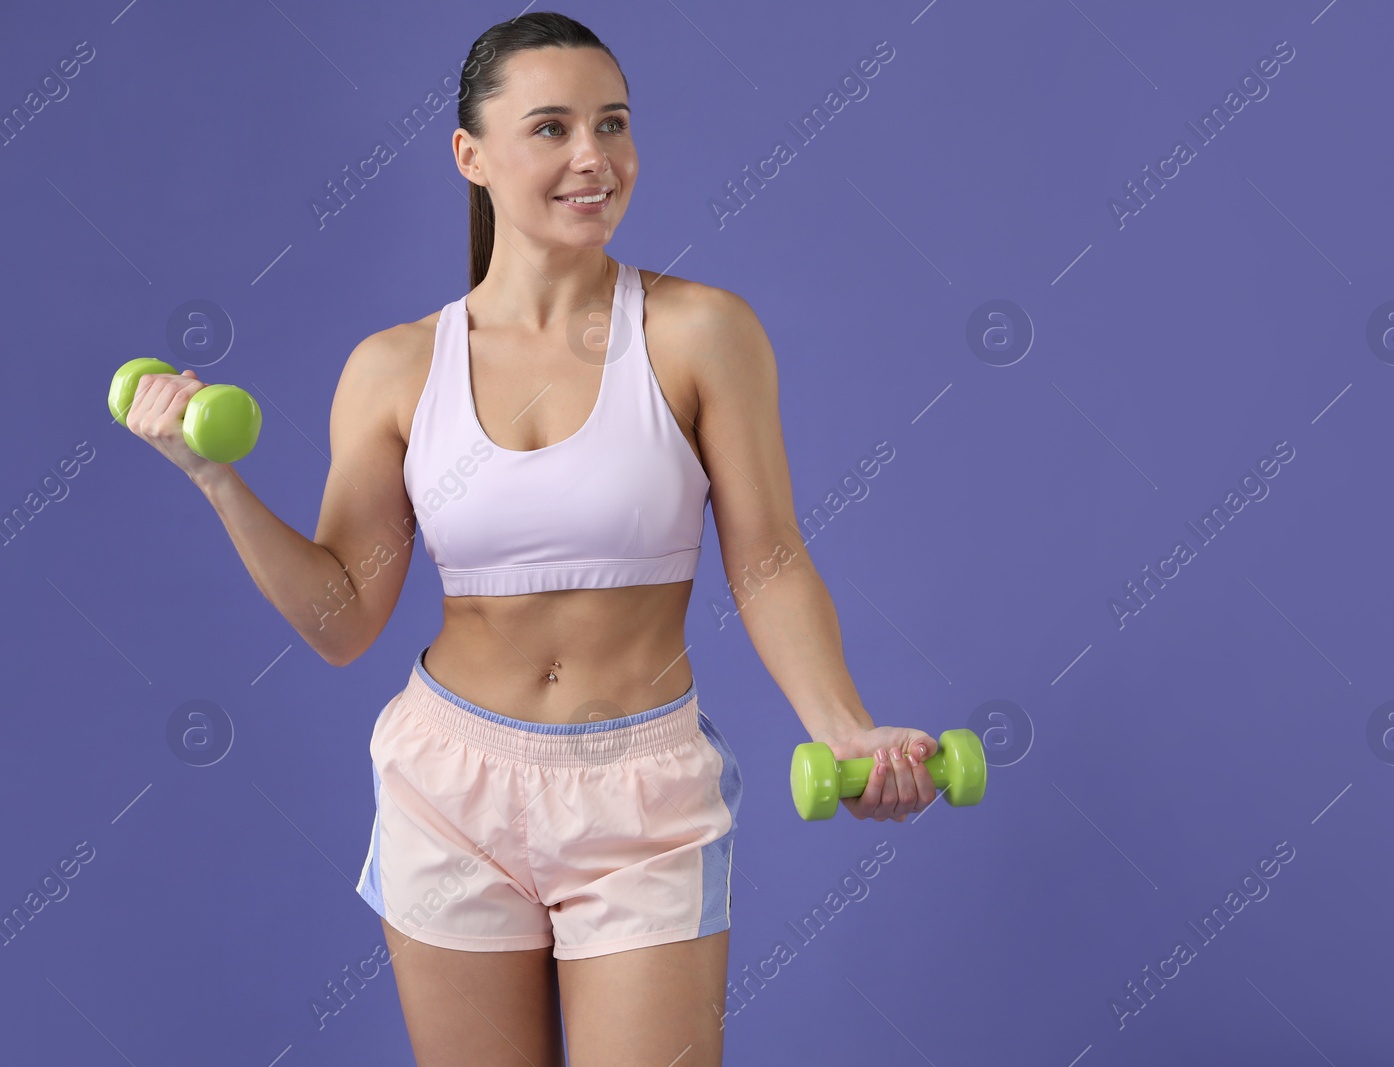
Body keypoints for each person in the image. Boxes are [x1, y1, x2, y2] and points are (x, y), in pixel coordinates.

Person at [123, 11, 941, 1066]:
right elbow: (341, 619)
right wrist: (212, 476)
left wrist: (842, 724)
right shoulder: (395, 368)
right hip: (449, 783)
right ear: (470, 155)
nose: (593, 156)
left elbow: (768, 555)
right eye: (550, 127)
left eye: (613, 123)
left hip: (642, 784)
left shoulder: (702, 333)